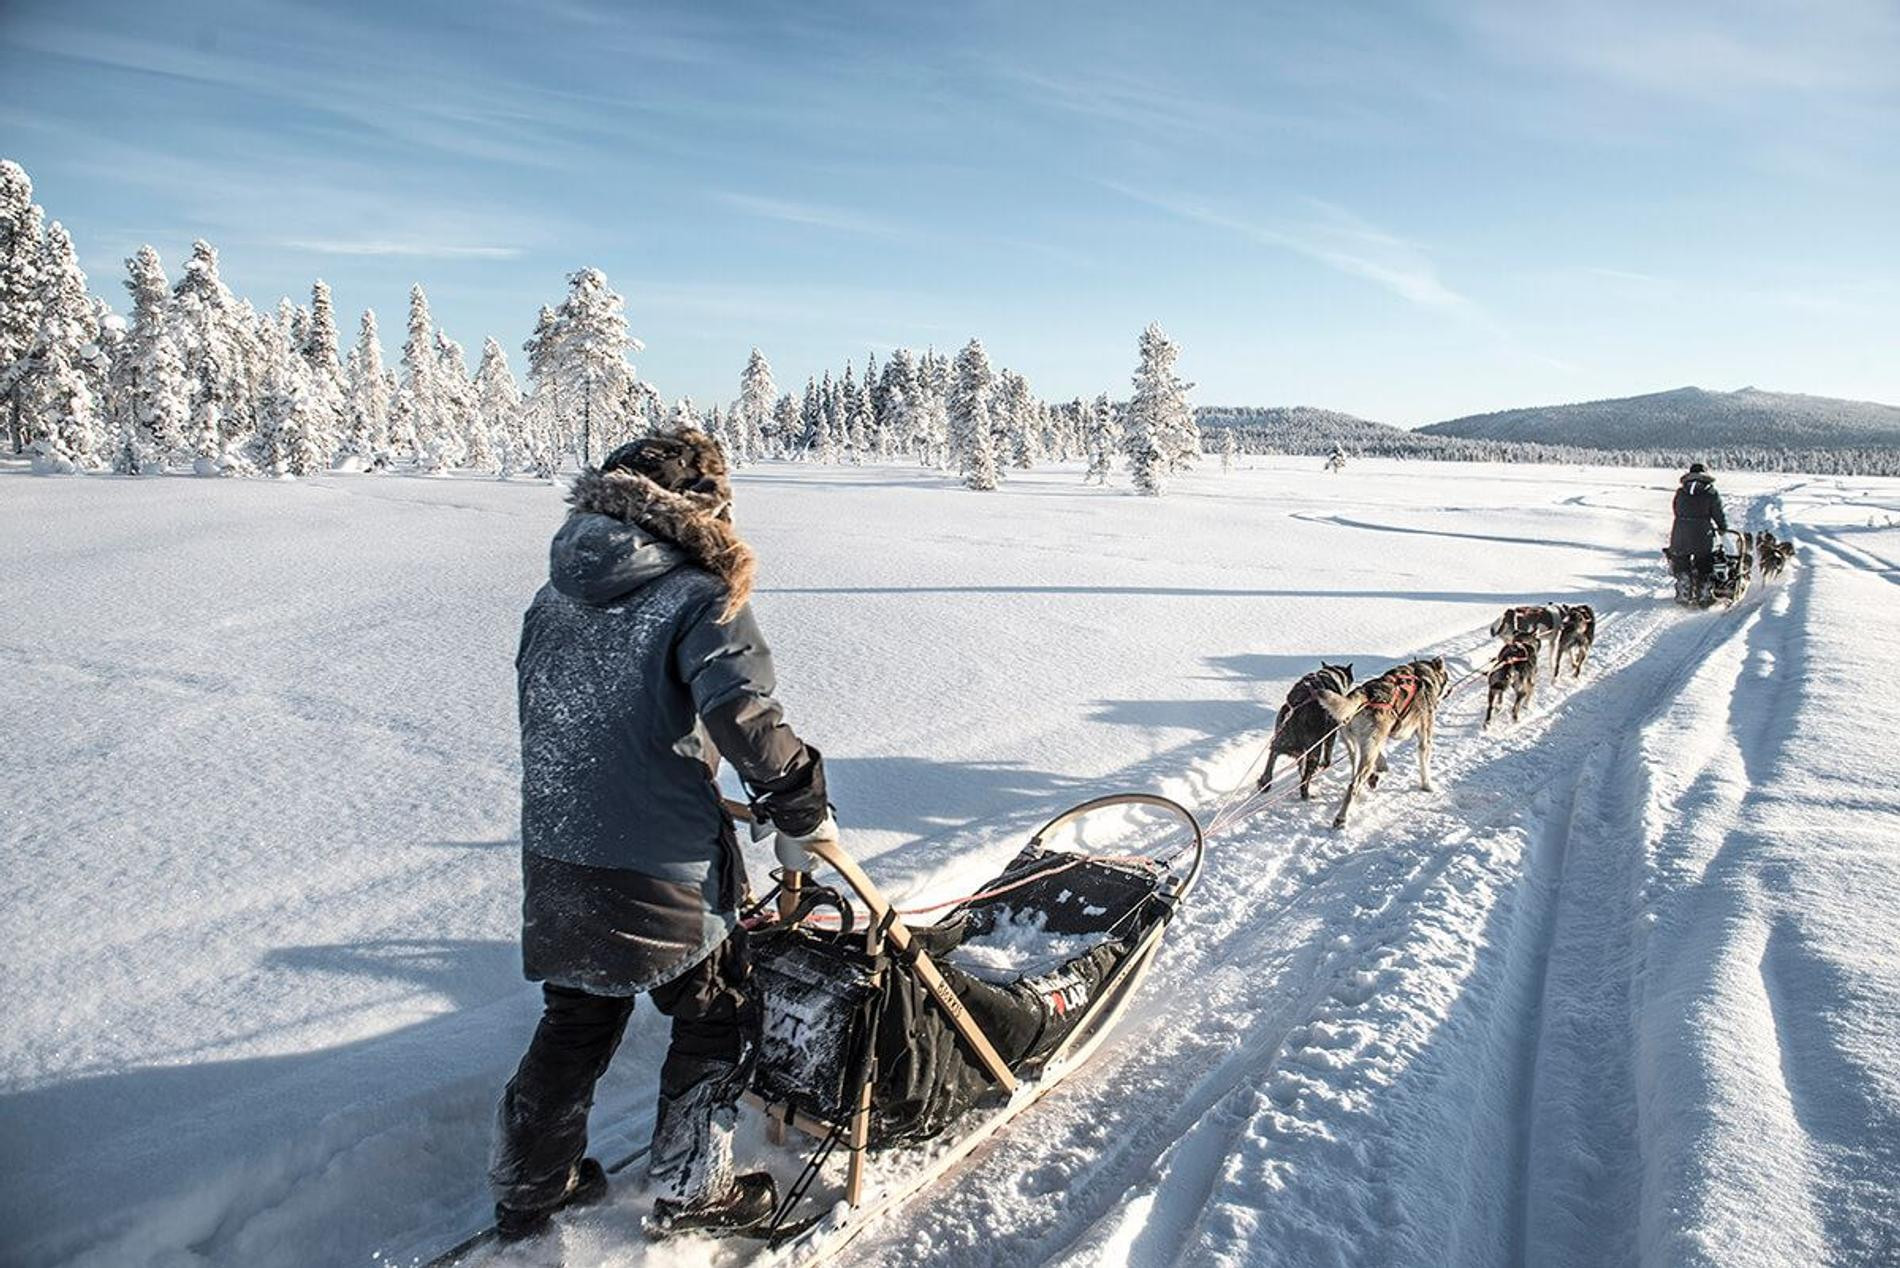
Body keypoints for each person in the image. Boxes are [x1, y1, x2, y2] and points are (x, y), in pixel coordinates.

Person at [489, 430, 835, 1242]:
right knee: (716, 1010)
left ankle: (530, 1186)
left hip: (560, 850)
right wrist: (797, 789)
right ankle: (693, 1186)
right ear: (706, 506)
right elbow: (744, 716)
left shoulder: (556, 595)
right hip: (662, 864)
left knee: (575, 1017)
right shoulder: (698, 595)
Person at [1669, 461, 1728, 601]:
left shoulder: (1681, 492)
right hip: (1702, 532)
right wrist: (1722, 527)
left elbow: (1676, 509)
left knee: (1681, 560)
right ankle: (1704, 592)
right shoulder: (1711, 493)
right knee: (1704, 562)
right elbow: (1717, 513)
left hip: (1680, 531)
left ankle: (1684, 583)